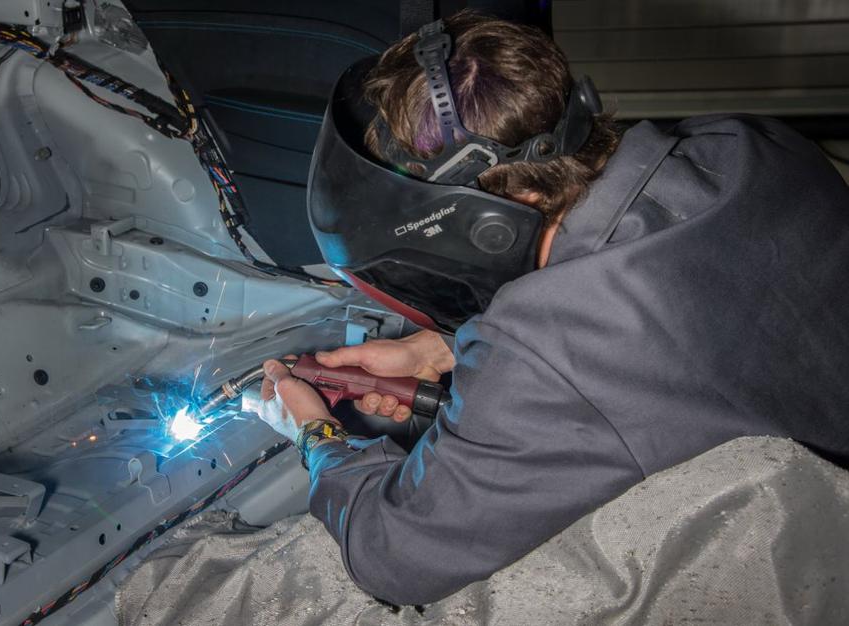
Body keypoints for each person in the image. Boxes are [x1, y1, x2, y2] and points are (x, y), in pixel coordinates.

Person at [252, 11, 849, 606]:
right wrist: (436, 348)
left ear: (487, 222)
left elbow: (393, 556)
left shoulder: (545, 348)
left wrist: (316, 434)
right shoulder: (744, 144)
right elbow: (675, 315)